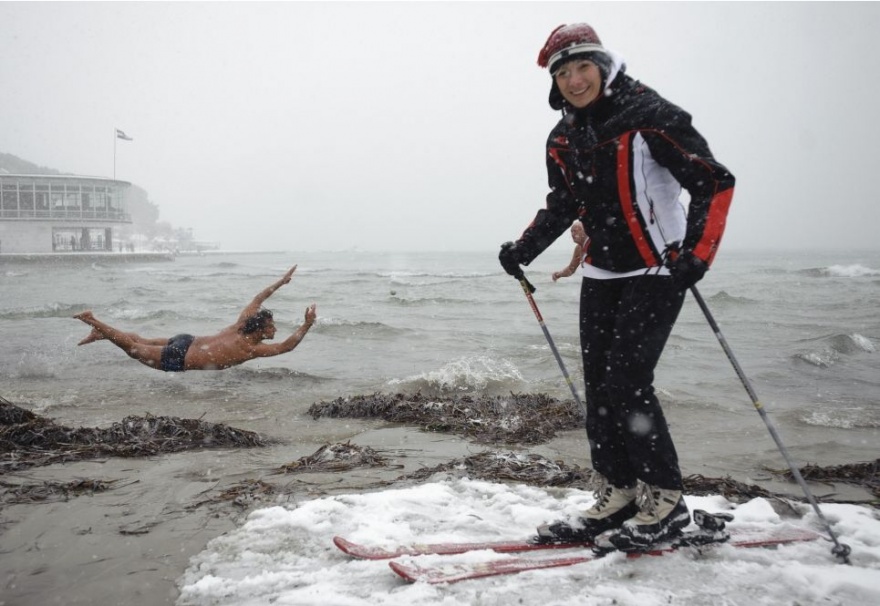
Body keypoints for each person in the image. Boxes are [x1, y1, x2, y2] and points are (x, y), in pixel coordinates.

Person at [498, 23, 734, 550]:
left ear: (603, 66)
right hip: (603, 271)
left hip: (658, 268)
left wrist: (697, 253)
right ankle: (620, 495)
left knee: (628, 381)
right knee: (600, 391)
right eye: (563, 73)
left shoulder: (651, 116)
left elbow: (713, 181)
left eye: (582, 67)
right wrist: (523, 250)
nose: (574, 79)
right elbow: (564, 204)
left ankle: (668, 504)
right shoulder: (563, 137)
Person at [75, 266, 317, 372]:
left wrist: (280, 283)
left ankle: (101, 332)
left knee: (141, 339)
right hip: (180, 358)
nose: (275, 329)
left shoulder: (241, 325)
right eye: (271, 326)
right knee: (134, 348)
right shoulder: (250, 349)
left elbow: (257, 299)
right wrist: (306, 324)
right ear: (261, 329)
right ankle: (94, 322)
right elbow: (287, 347)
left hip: (187, 341)